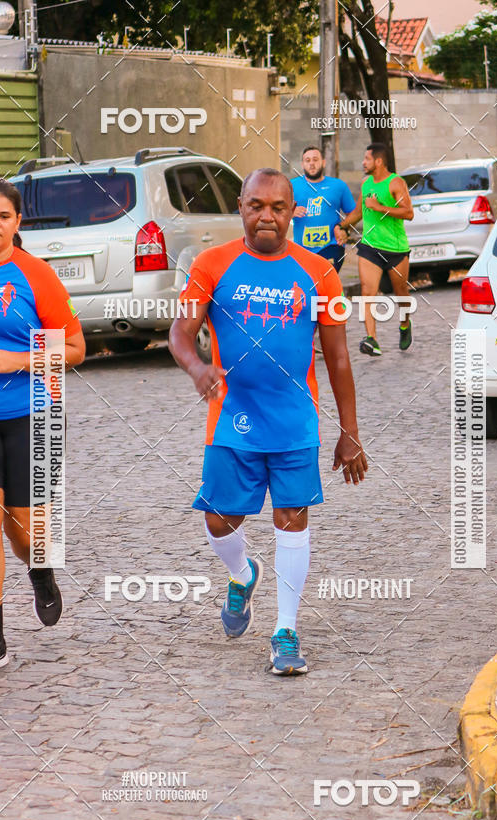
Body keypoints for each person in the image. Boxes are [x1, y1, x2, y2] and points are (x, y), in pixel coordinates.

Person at [169, 167, 368, 676]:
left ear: (293, 212)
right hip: (231, 420)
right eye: (256, 205)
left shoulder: (320, 272)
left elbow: (339, 358)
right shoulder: (213, 264)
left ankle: (285, 631)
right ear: (241, 206)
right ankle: (242, 574)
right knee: (218, 520)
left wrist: (349, 432)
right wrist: (196, 367)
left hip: (295, 423)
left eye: (278, 208)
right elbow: (180, 330)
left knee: (292, 520)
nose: (266, 216)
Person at [0, 177, 85, 677]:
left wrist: (18, 357)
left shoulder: (37, 276)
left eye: (4, 216)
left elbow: (74, 349)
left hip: (36, 412)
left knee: (27, 530)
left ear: (17, 223)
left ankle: (41, 569)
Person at [339, 143, 414, 357]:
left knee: (402, 295)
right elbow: (358, 212)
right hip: (370, 245)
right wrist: (340, 226)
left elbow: (408, 213)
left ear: (378, 161)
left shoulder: (395, 183)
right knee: (367, 292)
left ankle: (405, 324)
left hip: (395, 248)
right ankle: (372, 339)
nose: (363, 162)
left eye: (366, 159)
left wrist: (379, 207)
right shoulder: (366, 184)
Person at [291, 146, 356, 274]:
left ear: (323, 162)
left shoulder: (338, 186)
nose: (312, 164)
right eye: (307, 160)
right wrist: (290, 212)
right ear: (302, 164)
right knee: (308, 286)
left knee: (323, 280)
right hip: (302, 250)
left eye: (315, 159)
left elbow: (354, 214)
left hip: (331, 246)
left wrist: (344, 229)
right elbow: (276, 212)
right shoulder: (291, 186)